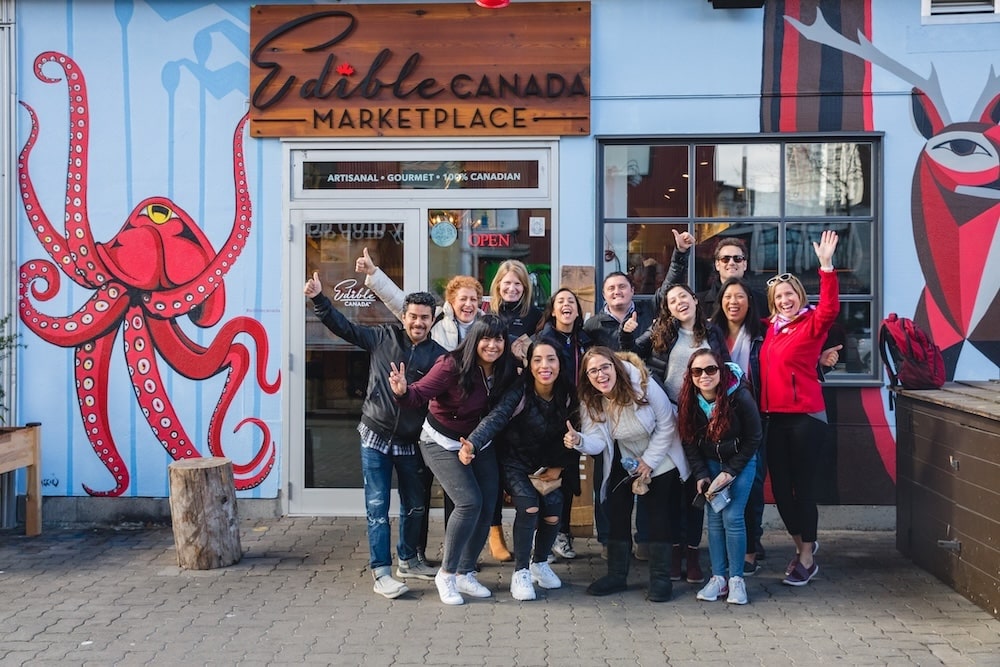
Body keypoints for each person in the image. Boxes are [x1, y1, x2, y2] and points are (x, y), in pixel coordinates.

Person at [303, 272, 444, 599]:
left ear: (433, 319)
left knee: (416, 506)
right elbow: (344, 327)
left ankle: (408, 560)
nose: (418, 322)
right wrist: (319, 299)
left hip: (411, 442)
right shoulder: (383, 337)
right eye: (413, 316)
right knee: (378, 507)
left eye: (425, 317)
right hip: (375, 436)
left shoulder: (439, 357)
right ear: (403, 316)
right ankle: (381, 572)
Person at [356, 247, 484, 563]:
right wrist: (374, 274)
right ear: (451, 302)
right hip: (427, 424)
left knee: (459, 493)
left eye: (473, 299)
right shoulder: (435, 320)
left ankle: (461, 555)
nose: (468, 304)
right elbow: (400, 303)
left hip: (463, 424)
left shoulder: (485, 330)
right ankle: (416, 554)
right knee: (420, 494)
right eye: (462, 298)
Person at [389, 314, 518, 605]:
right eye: (486, 338)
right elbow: (419, 394)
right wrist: (402, 391)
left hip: (476, 440)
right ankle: (446, 575)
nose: (493, 345)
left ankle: (465, 572)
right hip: (439, 441)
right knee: (468, 502)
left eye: (499, 339)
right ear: (475, 339)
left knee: (487, 505)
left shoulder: (504, 369)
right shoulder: (452, 365)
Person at [620, 282, 729, 584]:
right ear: (666, 308)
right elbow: (629, 355)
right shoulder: (660, 334)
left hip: (702, 420)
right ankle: (673, 553)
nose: (678, 302)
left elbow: (725, 369)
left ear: (695, 299)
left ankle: (692, 554)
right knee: (668, 490)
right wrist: (627, 332)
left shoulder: (712, 332)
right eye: (671, 300)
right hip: (667, 417)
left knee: (695, 489)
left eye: (683, 296)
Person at [563, 347, 690, 601]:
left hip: (661, 451)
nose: (600, 375)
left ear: (615, 366)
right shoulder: (592, 399)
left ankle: (660, 579)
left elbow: (667, 425)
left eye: (604, 367)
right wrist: (579, 440)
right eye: (593, 371)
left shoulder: (642, 382)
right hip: (625, 454)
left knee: (658, 515)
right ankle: (616, 575)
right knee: (615, 509)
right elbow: (598, 440)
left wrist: (649, 461)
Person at [465, 340, 580, 600]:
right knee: (529, 507)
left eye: (551, 359)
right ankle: (521, 572)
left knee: (553, 509)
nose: (544, 366)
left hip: (549, 465)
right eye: (537, 359)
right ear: (529, 364)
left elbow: (577, 434)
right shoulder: (520, 391)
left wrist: (559, 466)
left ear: (560, 363)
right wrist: (473, 443)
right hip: (514, 462)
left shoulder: (569, 394)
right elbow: (496, 418)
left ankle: (540, 563)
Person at [760, 229, 840, 587]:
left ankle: (806, 557)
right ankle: (801, 546)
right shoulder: (770, 330)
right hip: (774, 419)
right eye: (779, 296)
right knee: (780, 490)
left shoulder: (811, 324)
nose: (785, 300)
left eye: (790, 294)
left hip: (806, 417)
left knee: (803, 490)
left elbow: (830, 308)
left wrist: (826, 266)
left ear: (799, 296)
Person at [677, 350, 762, 605]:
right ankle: (718, 578)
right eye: (697, 371)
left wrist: (730, 471)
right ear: (690, 376)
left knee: (733, 517)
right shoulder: (689, 400)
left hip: (740, 462)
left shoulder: (740, 396)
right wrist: (702, 474)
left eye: (711, 369)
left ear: (721, 371)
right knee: (713, 519)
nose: (704, 376)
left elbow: (754, 437)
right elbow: (689, 441)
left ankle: (736, 580)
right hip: (710, 464)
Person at [485, 259, 544, 563]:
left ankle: (537, 534)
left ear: (525, 287)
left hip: (524, 402)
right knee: (493, 471)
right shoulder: (488, 316)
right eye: (506, 283)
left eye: (517, 284)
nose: (511, 288)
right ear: (497, 286)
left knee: (523, 468)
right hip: (492, 401)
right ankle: (495, 532)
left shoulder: (535, 316)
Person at [709, 277, 767, 576]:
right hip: (718, 421)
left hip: (755, 417)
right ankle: (724, 553)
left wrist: (823, 360)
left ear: (750, 301)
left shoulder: (763, 332)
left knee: (753, 485)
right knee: (719, 485)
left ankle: (750, 548)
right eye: (728, 296)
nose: (733, 302)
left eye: (740, 296)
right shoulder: (710, 333)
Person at [535, 287, 597, 560]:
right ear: (553, 309)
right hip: (549, 413)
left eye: (571, 301)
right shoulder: (543, 339)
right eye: (560, 301)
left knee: (569, 476)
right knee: (547, 475)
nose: (566, 305)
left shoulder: (584, 339)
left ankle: (563, 534)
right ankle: (542, 538)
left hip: (576, 415)